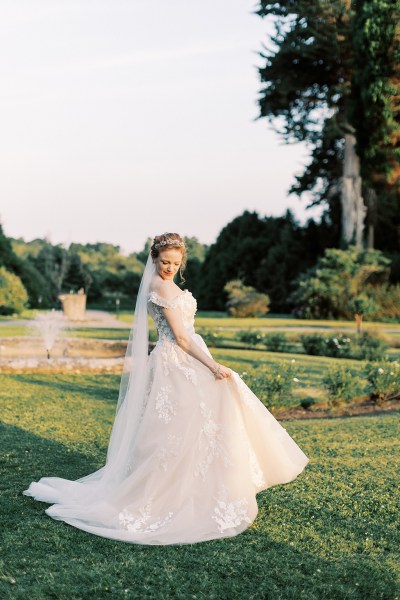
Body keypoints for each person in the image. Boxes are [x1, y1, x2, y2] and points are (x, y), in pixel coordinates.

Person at [23, 233, 309, 545]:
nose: (169, 267)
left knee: (201, 424)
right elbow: (182, 339)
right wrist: (213, 366)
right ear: (154, 259)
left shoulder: (169, 284)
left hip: (188, 358)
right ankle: (167, 493)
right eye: (164, 262)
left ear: (181, 261)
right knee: (177, 430)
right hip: (177, 363)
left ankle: (202, 485)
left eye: (175, 263)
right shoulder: (158, 287)